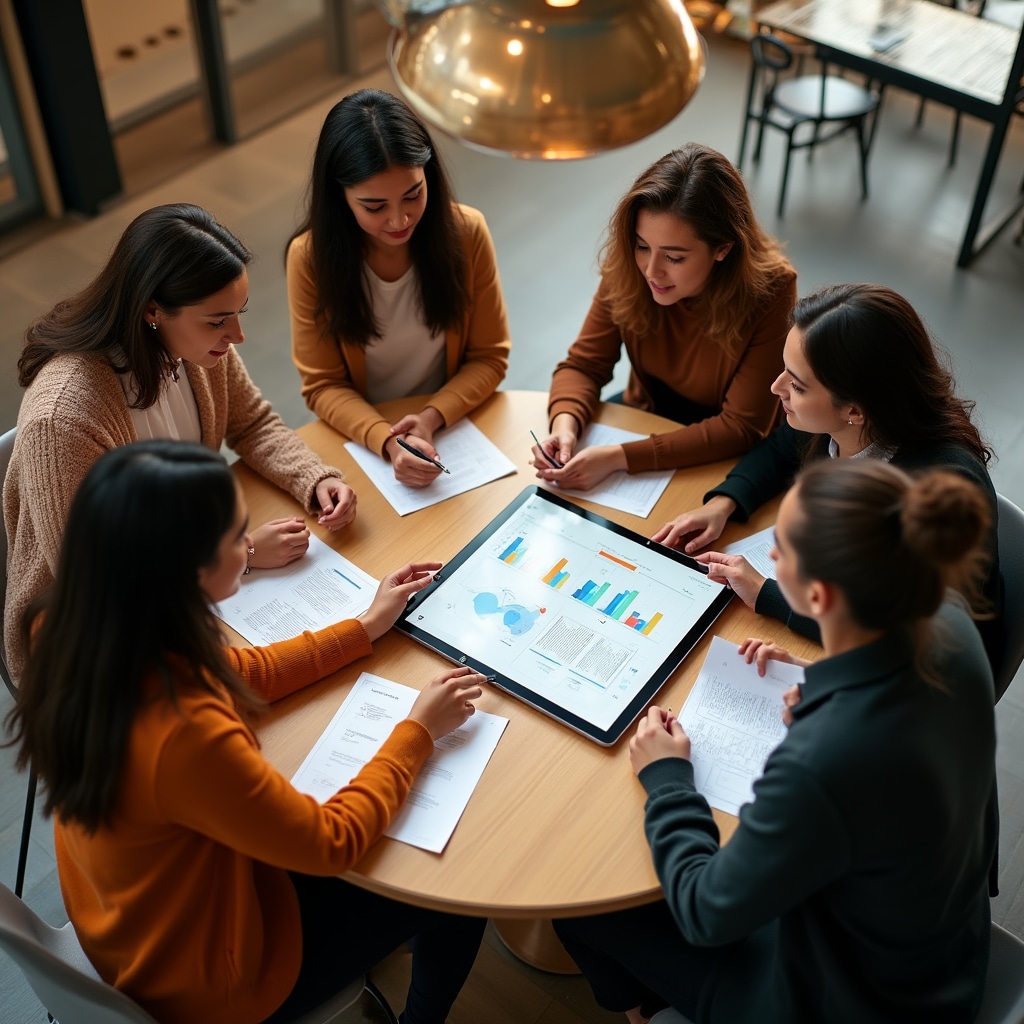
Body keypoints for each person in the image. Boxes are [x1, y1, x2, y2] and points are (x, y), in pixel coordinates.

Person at [4, 440, 486, 1024]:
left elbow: (238, 672)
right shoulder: (183, 736)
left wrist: (365, 626)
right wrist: (417, 731)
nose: (250, 546)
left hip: (126, 920)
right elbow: (330, 843)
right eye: (238, 537)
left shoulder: (78, 623)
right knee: (458, 894)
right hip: (214, 980)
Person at [555, 459, 998, 1024]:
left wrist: (668, 780)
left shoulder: (825, 761)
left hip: (852, 1000)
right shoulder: (947, 617)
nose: (769, 558)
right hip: (943, 946)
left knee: (584, 908)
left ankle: (649, 1010)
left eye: (782, 549)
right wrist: (814, 686)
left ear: (818, 596)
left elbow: (707, 912)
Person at [4, 203, 357, 675]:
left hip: (188, 584)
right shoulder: (63, 420)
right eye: (217, 320)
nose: (237, 335)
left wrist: (313, 479)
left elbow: (251, 424)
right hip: (94, 651)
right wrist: (242, 554)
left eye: (238, 314)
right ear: (153, 310)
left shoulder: (196, 348)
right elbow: (97, 585)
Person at [652, 282, 1003, 670]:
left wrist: (768, 595)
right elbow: (780, 450)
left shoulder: (936, 494)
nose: (776, 388)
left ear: (854, 408)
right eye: (784, 370)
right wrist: (723, 504)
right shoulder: (837, 424)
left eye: (797, 385)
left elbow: (910, 639)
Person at [534, 143, 796, 491]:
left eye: (674, 257)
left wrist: (619, 458)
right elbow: (584, 365)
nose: (651, 271)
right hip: (646, 418)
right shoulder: (631, 268)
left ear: (723, 248)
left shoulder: (772, 289)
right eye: (642, 246)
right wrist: (564, 427)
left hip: (728, 452)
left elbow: (742, 426)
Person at [287, 88, 511, 487]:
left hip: (451, 426)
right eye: (374, 206)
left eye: (413, 194)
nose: (399, 219)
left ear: (430, 177)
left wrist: (429, 418)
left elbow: (490, 357)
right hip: (363, 436)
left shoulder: (466, 233)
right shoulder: (310, 259)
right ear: (340, 198)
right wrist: (388, 441)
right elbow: (323, 385)